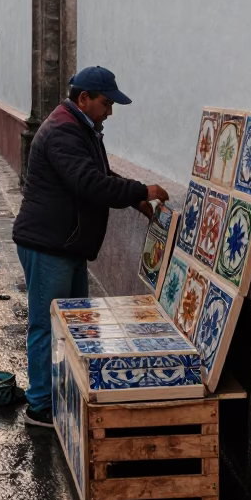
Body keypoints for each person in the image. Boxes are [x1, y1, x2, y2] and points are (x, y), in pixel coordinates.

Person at [12, 66, 170, 427]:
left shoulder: (81, 126)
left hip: (67, 244)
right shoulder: (63, 132)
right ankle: (39, 407)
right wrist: (140, 191)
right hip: (49, 245)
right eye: (106, 102)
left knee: (75, 324)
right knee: (45, 324)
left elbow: (100, 173)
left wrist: (134, 196)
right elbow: (88, 183)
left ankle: (64, 392)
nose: (110, 111)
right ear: (83, 98)